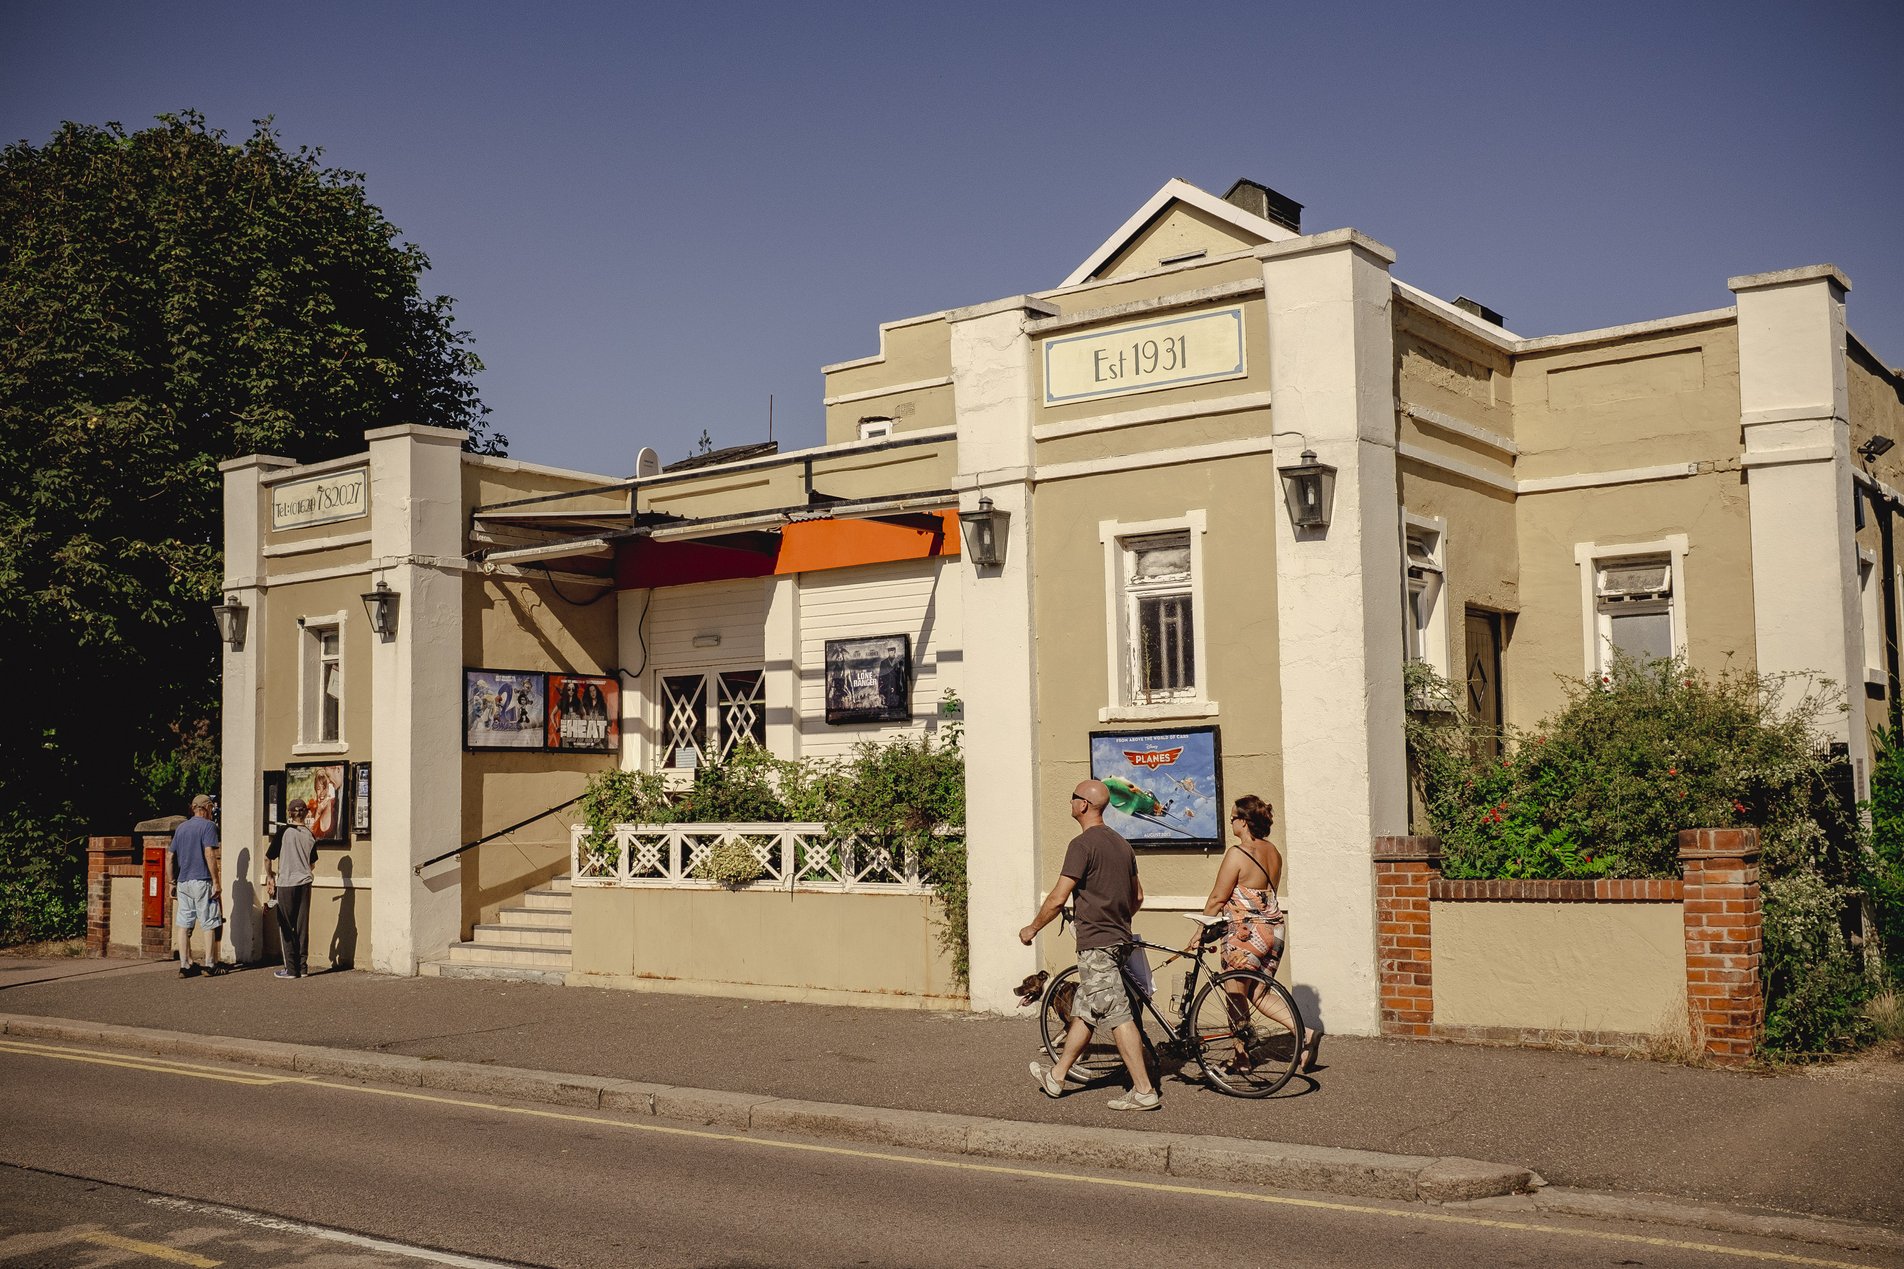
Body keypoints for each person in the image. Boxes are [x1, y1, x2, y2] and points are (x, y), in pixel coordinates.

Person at [1020, 779, 1161, 1111]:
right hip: (1121, 940)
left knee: (1116, 1013)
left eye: (1072, 798)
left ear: (1083, 804)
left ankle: (1143, 1090)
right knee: (1086, 1007)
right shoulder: (1121, 844)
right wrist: (1117, 919)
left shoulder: (1082, 845)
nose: (1070, 803)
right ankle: (1056, 1076)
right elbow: (1137, 896)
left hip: (1097, 944)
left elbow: (1058, 898)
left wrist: (1033, 928)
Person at [1187, 794, 1322, 1074]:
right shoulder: (1273, 852)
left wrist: (1200, 932)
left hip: (1245, 933)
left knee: (1235, 995)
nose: (1232, 823)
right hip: (1274, 930)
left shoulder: (1238, 853)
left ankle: (1241, 1059)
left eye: (1234, 818)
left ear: (1245, 822)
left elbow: (1217, 898)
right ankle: (1305, 1032)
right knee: (1258, 993)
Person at [167, 793, 222, 977]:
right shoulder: (209, 826)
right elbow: (209, 854)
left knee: (184, 923)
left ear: (193, 808)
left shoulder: (181, 828)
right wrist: (216, 881)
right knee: (208, 922)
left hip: (183, 882)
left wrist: (171, 881)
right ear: (206, 808)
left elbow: (170, 857)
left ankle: (185, 966)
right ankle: (210, 964)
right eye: (212, 808)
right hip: (202, 880)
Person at [267, 797, 319, 979]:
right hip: (305, 882)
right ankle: (303, 968)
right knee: (302, 926)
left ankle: (290, 969)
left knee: (286, 926)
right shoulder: (310, 835)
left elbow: (268, 857)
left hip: (287, 883)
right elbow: (312, 864)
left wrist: (270, 876)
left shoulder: (284, 832)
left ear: (290, 813)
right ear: (306, 813)